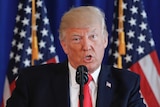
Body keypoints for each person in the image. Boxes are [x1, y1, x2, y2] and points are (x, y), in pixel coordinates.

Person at [6, 6, 146, 107]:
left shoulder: (126, 84)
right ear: (64, 45)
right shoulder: (33, 82)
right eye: (77, 39)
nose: (86, 46)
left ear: (105, 40)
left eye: (93, 36)